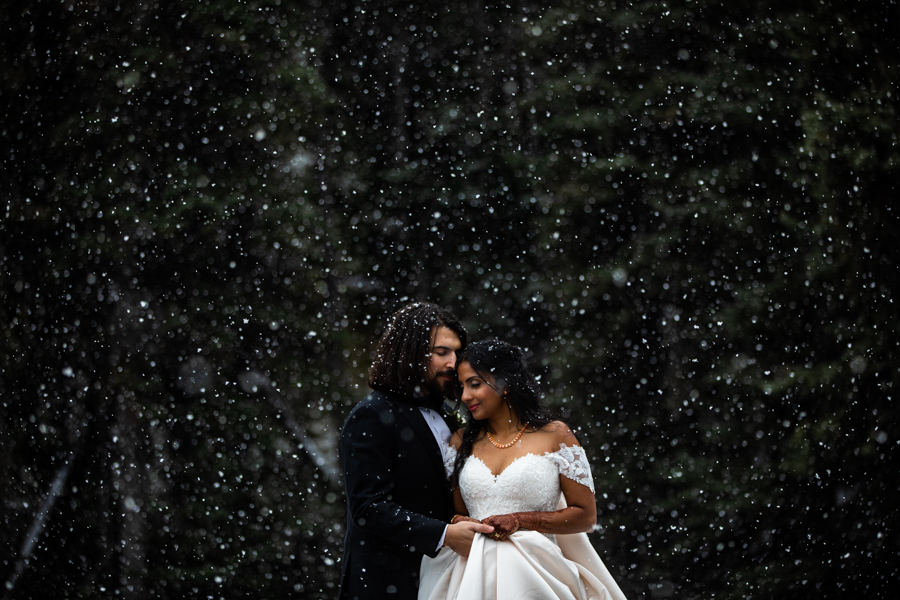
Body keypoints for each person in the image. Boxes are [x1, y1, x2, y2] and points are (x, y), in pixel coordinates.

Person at [418, 339, 628, 600]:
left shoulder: (555, 435)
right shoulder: (459, 442)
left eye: (474, 384)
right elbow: (459, 513)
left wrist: (521, 521)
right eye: (461, 387)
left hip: (538, 570)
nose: (464, 396)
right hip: (472, 573)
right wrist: (459, 521)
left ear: (505, 384)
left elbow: (586, 517)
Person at [339, 302, 495, 599]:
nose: (453, 363)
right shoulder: (372, 415)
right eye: (441, 352)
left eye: (456, 352)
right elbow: (368, 508)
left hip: (448, 579)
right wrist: (444, 535)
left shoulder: (451, 416)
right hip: (386, 583)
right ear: (408, 351)